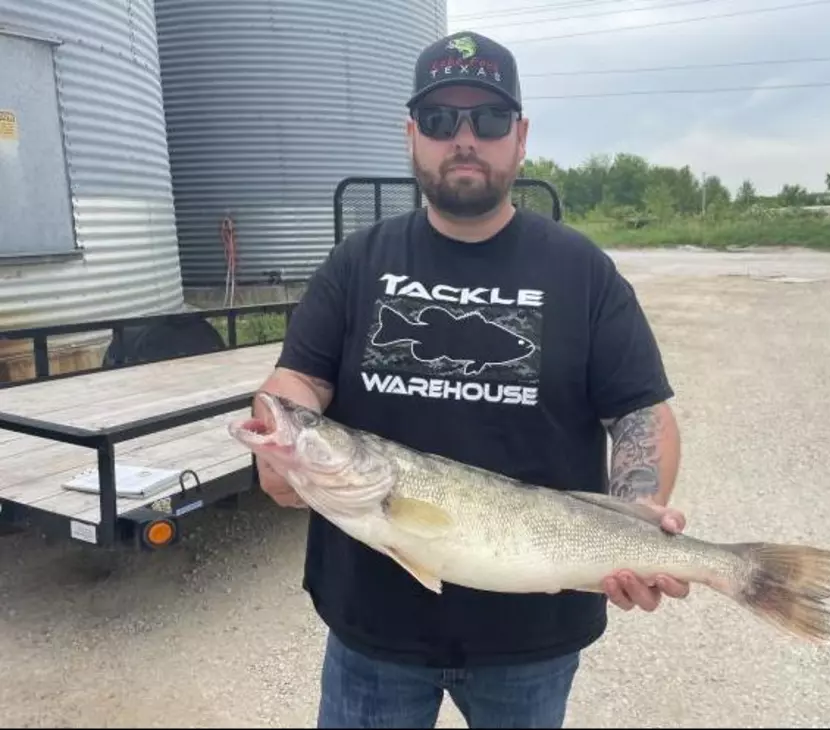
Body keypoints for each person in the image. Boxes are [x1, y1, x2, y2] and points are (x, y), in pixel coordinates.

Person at [253, 29, 687, 729]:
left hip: (532, 638)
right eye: (438, 120)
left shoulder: (582, 272)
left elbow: (642, 412)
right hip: (373, 629)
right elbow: (295, 383)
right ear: (411, 136)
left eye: (486, 120)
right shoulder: (356, 261)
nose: (463, 138)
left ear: (519, 137)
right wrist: (281, 438)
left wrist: (636, 520)